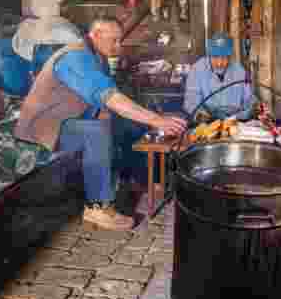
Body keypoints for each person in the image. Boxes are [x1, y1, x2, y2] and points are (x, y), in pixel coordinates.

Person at [14, 17, 186, 230]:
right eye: (113, 40)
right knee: (97, 131)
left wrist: (140, 119)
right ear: (94, 36)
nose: (118, 46)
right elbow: (109, 96)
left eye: (119, 40)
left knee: (126, 123)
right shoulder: (75, 57)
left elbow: (105, 103)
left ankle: (140, 180)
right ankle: (97, 207)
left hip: (70, 118)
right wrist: (157, 119)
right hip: (44, 126)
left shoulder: (98, 56)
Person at [183, 33, 256, 120]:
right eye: (215, 57)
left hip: (235, 121)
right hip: (206, 120)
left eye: (224, 58)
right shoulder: (197, 69)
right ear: (209, 54)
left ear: (230, 56)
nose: (219, 63)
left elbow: (249, 99)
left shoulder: (239, 71)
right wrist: (200, 115)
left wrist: (253, 108)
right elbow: (191, 98)